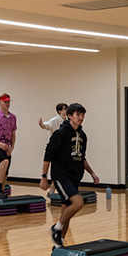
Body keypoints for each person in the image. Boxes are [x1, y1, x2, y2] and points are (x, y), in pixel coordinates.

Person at [40, 103, 100, 247]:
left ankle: (58, 245)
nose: (81, 118)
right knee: (77, 202)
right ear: (69, 116)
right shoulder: (60, 133)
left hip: (75, 177)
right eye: (78, 115)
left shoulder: (83, 135)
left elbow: (82, 157)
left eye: (83, 115)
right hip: (61, 175)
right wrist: (44, 176)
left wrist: (92, 173)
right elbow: (48, 155)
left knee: (66, 211)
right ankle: (56, 228)